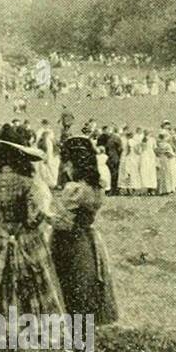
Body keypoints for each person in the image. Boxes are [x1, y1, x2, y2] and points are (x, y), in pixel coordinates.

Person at [0, 126, 64, 323]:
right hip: (27, 242)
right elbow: (33, 218)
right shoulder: (28, 182)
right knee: (32, 288)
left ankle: (1, 332)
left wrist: (0, 216)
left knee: (1, 286)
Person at [50, 137, 117, 324]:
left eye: (67, 164)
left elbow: (61, 222)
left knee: (69, 290)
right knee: (86, 289)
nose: (64, 169)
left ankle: (75, 342)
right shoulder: (96, 187)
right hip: (88, 240)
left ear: (74, 164)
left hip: (68, 242)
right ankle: (85, 343)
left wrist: (44, 216)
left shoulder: (74, 189)